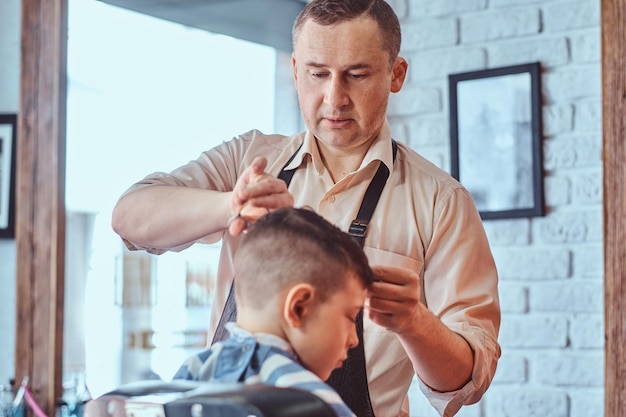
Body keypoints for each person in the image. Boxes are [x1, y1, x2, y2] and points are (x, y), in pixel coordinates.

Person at [111, 0, 501, 416]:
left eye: (357, 74)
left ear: (396, 75)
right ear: (295, 71)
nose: (335, 98)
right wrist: (230, 205)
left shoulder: (441, 202)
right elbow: (129, 217)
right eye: (317, 74)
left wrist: (413, 322)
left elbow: (467, 383)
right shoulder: (248, 159)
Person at [172, 207, 374, 417]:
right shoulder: (313, 402)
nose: (354, 340)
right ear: (298, 308)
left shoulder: (195, 371)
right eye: (350, 317)